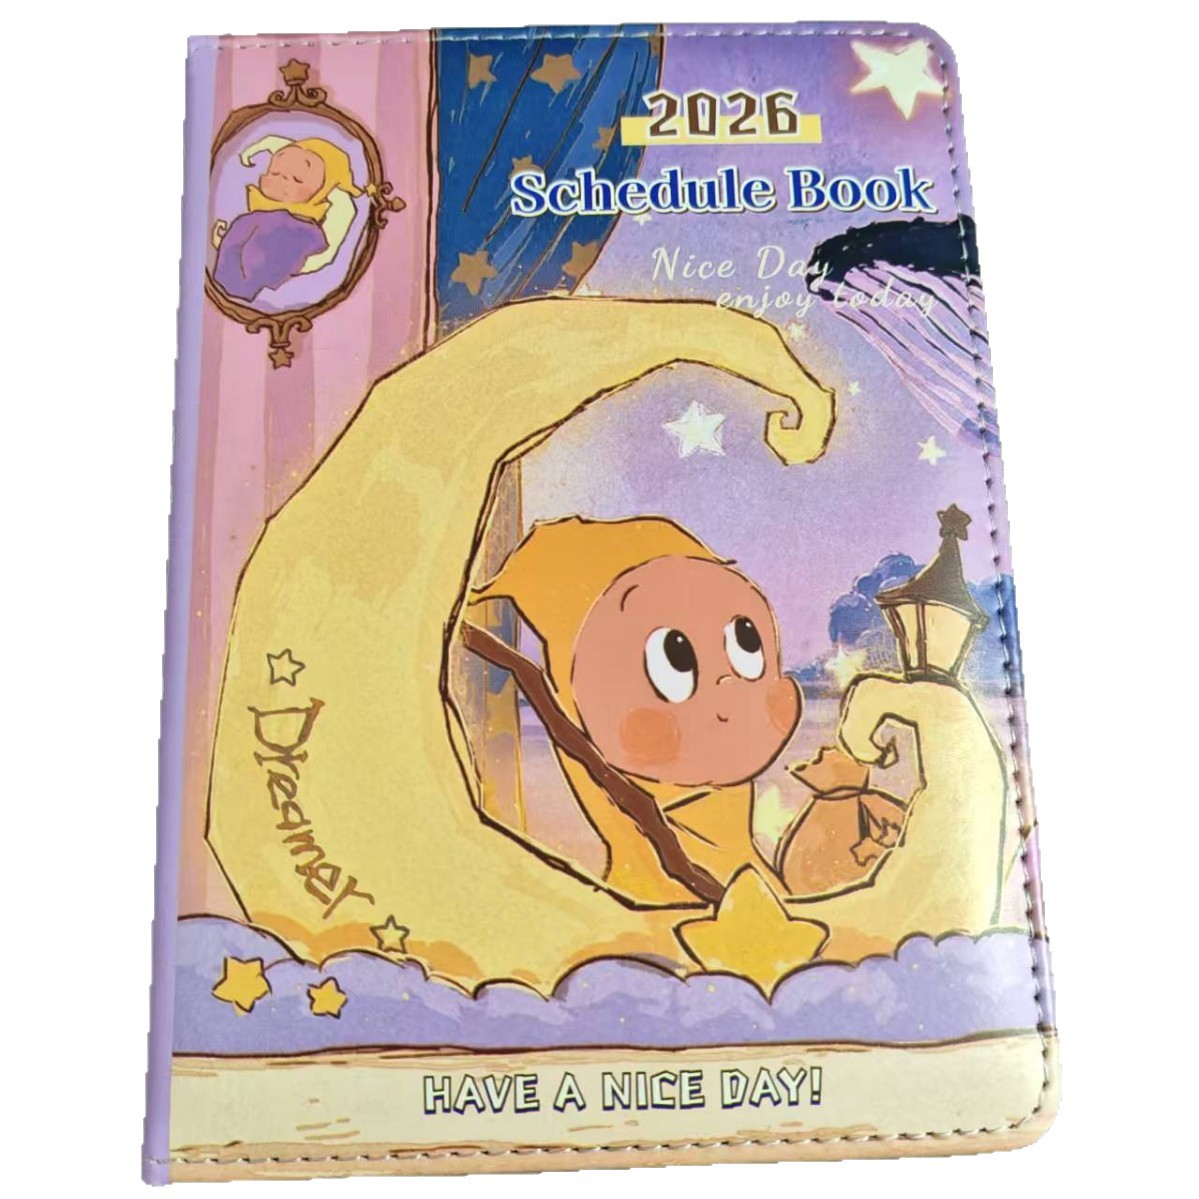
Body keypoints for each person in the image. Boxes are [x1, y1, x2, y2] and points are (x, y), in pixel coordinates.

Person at [212, 136, 362, 303]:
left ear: (320, 192)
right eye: (275, 173)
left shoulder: (300, 227)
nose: (281, 180)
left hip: (250, 282)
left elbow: (275, 262)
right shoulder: (251, 217)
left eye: (297, 179)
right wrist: (224, 241)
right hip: (225, 283)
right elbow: (233, 246)